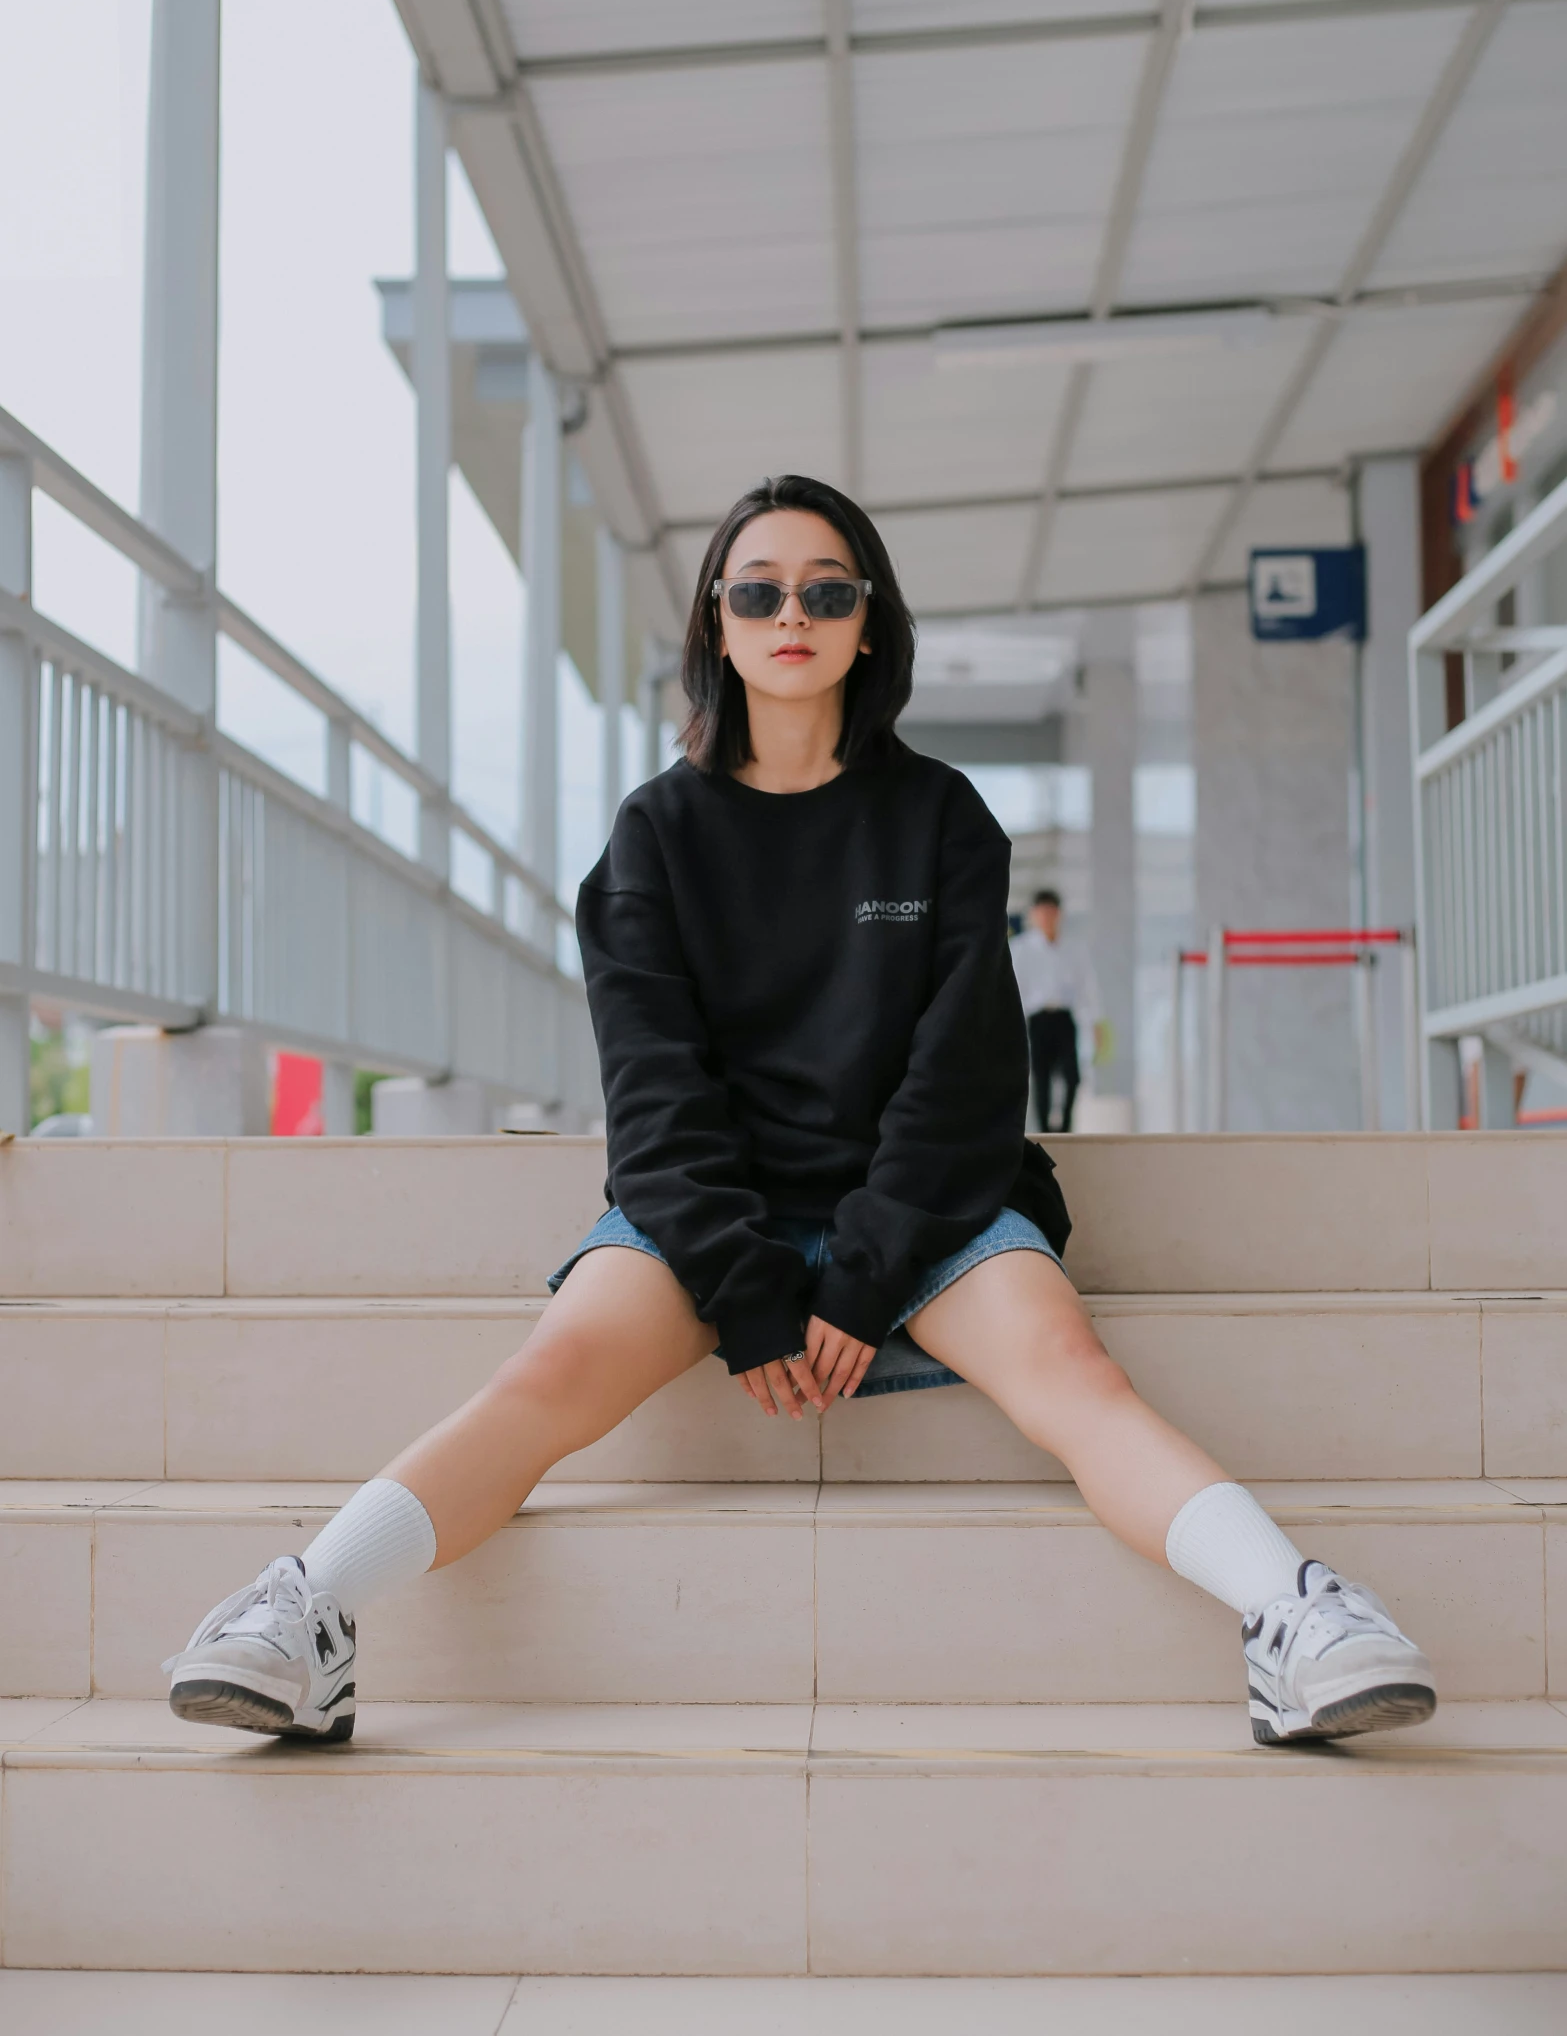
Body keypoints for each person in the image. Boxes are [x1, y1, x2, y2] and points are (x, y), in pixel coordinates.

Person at [165, 473, 1435, 1751]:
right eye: (757, 590)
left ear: (868, 623)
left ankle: (1296, 1616)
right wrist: (748, 1282)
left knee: (1072, 1370)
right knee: (547, 1370)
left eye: (826, 591)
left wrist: (865, 1271)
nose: (792, 614)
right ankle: (306, 1614)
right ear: (716, 622)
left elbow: (965, 1077)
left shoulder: (939, 818)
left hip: (929, 1212)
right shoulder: (653, 838)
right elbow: (653, 1093)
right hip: (712, 1218)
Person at [1011, 889, 1100, 1131]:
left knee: (1072, 1075)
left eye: (1051, 911)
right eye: (1042, 912)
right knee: (1041, 1078)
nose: (1047, 917)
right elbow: (1015, 990)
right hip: (1037, 1020)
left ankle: (1066, 1127)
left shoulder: (1074, 948)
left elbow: (1086, 988)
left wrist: (1095, 1023)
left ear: (1059, 914)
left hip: (1064, 1018)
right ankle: (1045, 1132)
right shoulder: (1021, 949)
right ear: (1033, 914)